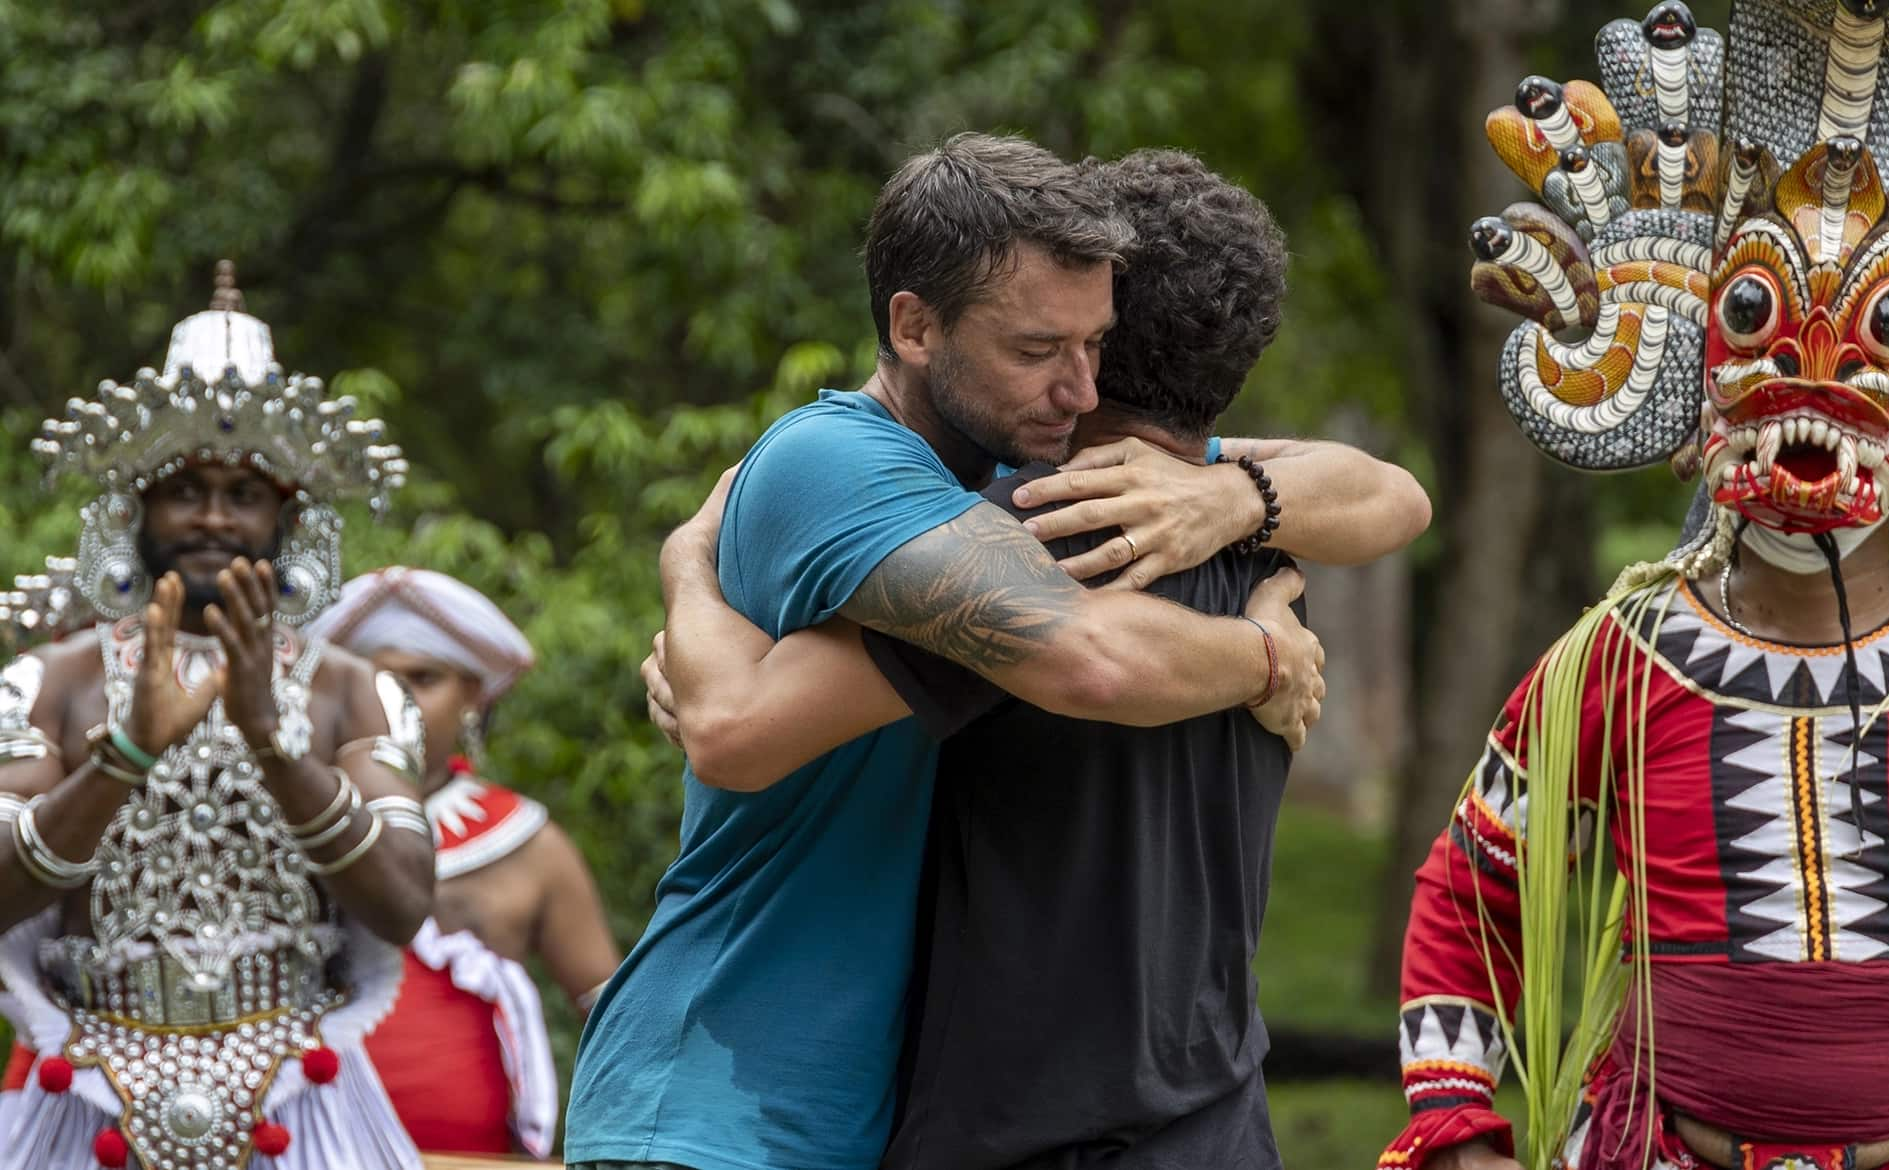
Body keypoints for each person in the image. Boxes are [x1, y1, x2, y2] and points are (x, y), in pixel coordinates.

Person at [562, 132, 1351, 1170]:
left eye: (1094, 346)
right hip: (708, 1105)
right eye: (1037, 350)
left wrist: (1228, 495)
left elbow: (1375, 487)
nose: (1075, 390)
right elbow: (1088, 661)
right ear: (914, 325)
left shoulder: (1002, 478)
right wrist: (1265, 657)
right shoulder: (845, 466)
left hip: (833, 1119)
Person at [1381, 4, 1889, 1170]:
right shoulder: (1613, 659)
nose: (1812, 376)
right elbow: (1470, 892)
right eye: (1750, 321)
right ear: (1693, 371)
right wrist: (1458, 1137)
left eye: (1879, 331)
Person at [0, 263, 435, 1170]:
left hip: (301, 1097)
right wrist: (125, 754)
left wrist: (274, 743)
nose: (212, 517)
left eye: (244, 495)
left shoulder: (354, 688)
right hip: (87, 1097)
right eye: (184, 488)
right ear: (136, 508)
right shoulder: (49, 679)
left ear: (290, 520)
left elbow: (401, 903)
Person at [310, 566, 621, 1160]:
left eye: (423, 679)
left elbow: (620, 1026)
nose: (395, 701)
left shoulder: (529, 844)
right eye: (374, 680)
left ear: (473, 695)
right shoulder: (286, 824)